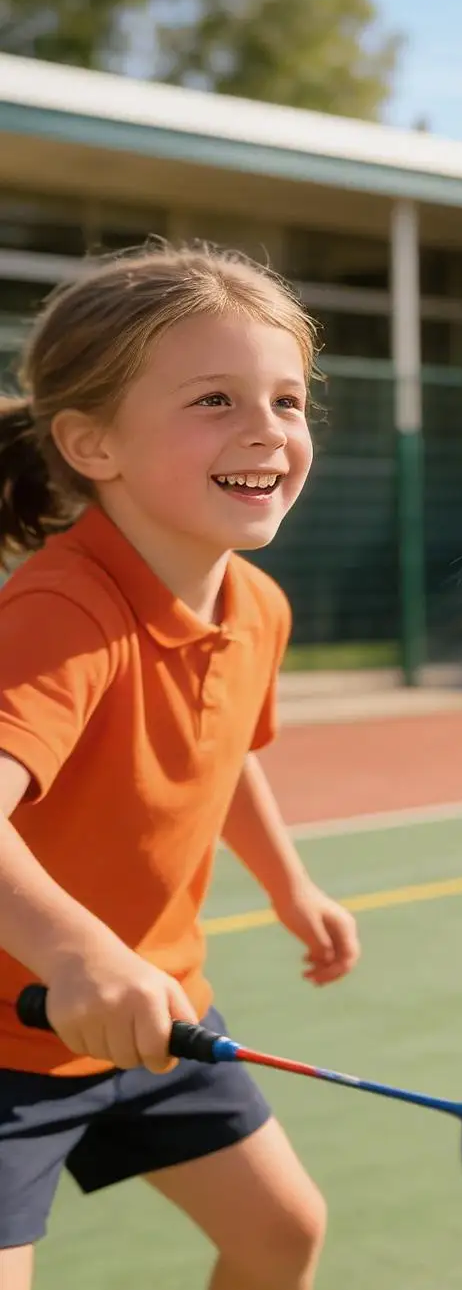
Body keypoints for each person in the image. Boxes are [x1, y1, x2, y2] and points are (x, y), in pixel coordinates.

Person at [0, 243, 360, 1289]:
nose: (266, 429)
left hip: (158, 1011)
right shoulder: (61, 613)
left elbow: (219, 750)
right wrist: (74, 953)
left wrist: (291, 885)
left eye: (288, 400)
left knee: (281, 1231)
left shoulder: (256, 604)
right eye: (215, 398)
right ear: (90, 441)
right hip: (12, 1035)